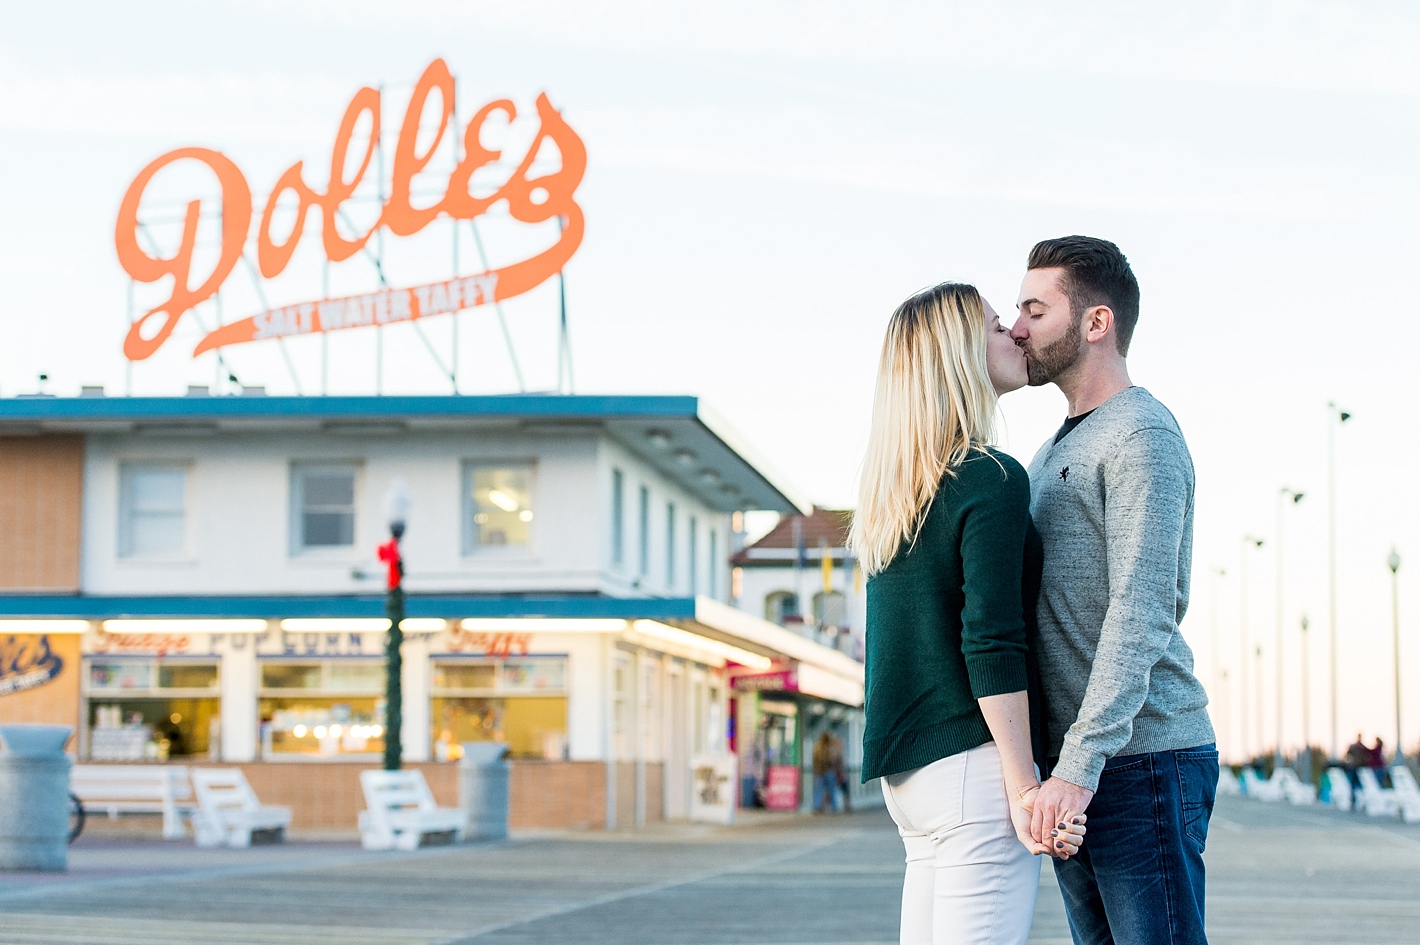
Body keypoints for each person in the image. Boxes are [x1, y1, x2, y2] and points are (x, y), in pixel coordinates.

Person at [851, 282, 1086, 945]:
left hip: (911, 778)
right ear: (956, 357)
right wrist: (1024, 784)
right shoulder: (990, 476)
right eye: (992, 327)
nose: (1014, 332)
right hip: (973, 768)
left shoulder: (896, 494)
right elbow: (991, 640)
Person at [1010, 236, 1219, 945]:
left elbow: (1142, 608)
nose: (1017, 327)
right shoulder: (1052, 450)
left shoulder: (1142, 435)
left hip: (1142, 759)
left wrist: (1078, 764)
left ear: (1096, 323)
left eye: (1035, 309)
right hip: (1084, 769)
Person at [812, 730, 842, 813]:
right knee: (832, 790)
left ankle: (817, 806)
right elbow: (835, 758)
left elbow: (814, 759)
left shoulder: (817, 747)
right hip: (829, 771)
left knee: (819, 789)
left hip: (820, 771)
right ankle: (834, 807)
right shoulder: (830, 748)